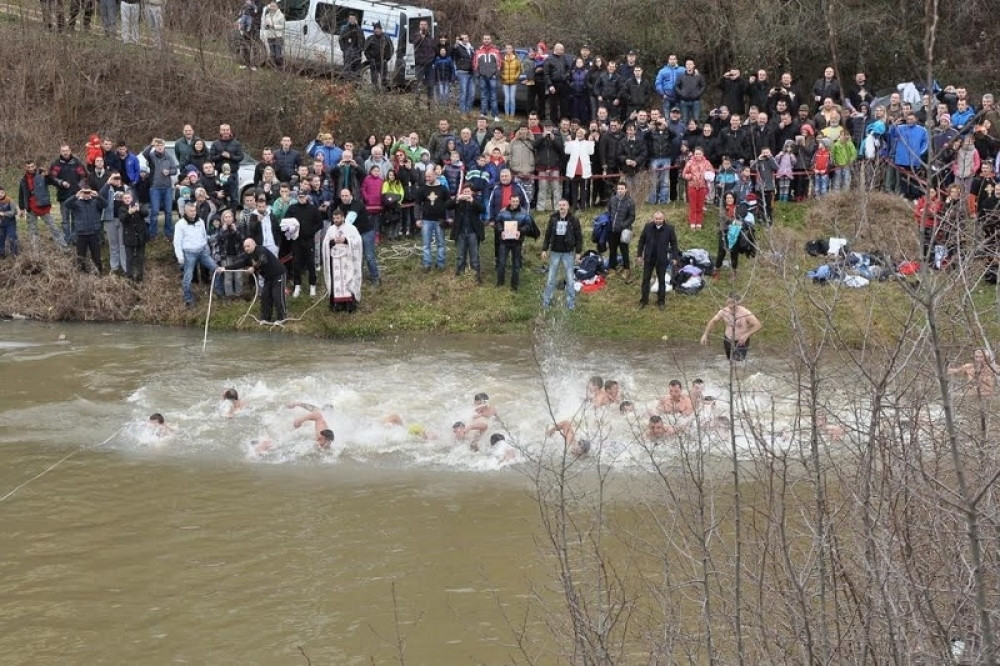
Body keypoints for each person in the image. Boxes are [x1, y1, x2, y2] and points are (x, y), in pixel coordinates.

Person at [541, 199, 583, 311]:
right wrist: (544, 249)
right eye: (560, 205)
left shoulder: (573, 219)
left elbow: (579, 237)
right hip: (555, 251)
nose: (561, 207)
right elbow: (548, 234)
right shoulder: (553, 218)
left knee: (570, 279)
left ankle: (570, 303)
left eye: (564, 205)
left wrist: (578, 252)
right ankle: (546, 301)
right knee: (551, 278)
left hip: (568, 253)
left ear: (568, 206)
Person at [232, 237, 286, 323]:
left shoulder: (261, 249)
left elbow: (263, 260)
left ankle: (282, 318)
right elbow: (239, 264)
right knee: (265, 297)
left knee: (277, 297)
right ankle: (266, 318)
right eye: (245, 247)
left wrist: (253, 267)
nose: (246, 248)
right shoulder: (248, 256)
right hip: (268, 278)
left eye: (248, 246)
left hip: (278, 274)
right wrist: (223, 268)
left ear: (254, 244)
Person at [18, 160, 67, 250]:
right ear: (25, 168)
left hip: (42, 206)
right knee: (32, 231)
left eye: (32, 166)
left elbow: (53, 181)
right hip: (30, 207)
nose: (31, 169)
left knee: (53, 228)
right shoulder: (23, 180)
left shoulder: (42, 174)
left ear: (35, 166)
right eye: (28, 167)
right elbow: (21, 194)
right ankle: (35, 253)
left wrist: (49, 176)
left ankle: (64, 248)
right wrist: (21, 208)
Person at [700, 292, 763, 362]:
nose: (730, 304)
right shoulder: (724, 311)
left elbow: (758, 325)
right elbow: (713, 321)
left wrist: (746, 335)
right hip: (727, 340)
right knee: (729, 361)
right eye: (728, 302)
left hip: (741, 342)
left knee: (738, 363)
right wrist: (705, 334)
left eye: (732, 302)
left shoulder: (745, 313)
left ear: (738, 302)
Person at [322, 208, 363, 313]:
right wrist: (332, 241)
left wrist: (346, 240)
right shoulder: (330, 229)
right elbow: (325, 243)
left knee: (348, 280)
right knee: (336, 282)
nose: (336, 220)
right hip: (335, 260)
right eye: (334, 218)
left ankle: (350, 305)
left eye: (338, 218)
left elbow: (358, 241)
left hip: (347, 260)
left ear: (343, 217)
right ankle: (337, 304)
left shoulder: (351, 228)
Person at [494, 194, 538, 290]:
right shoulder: (502, 212)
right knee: (501, 263)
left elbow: (528, 225)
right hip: (504, 241)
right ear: (509, 201)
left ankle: (514, 286)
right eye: (513, 201)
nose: (515, 203)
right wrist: (501, 231)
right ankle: (500, 284)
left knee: (516, 265)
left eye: (517, 201)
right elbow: (497, 223)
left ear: (519, 202)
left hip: (517, 242)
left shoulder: (524, 213)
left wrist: (520, 231)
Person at [636, 211, 679, 310]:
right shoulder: (647, 227)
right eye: (656, 219)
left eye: (660, 219)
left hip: (661, 259)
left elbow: (674, 244)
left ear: (664, 219)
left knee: (662, 281)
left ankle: (661, 301)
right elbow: (641, 241)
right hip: (649, 258)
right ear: (653, 218)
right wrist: (639, 255)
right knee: (646, 280)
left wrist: (675, 257)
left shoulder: (669, 229)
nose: (658, 220)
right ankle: (644, 300)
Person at [414, 167, 450, 271]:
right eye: (426, 176)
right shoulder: (422, 189)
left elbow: (448, 204)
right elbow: (417, 204)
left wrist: (449, 217)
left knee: (441, 243)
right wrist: (417, 218)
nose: (427, 178)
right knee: (426, 244)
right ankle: (427, 264)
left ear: (435, 175)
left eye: (429, 176)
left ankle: (440, 264)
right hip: (426, 220)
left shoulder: (443, 188)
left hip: (440, 220)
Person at [447, 185, 485, 282]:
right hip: (460, 232)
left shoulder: (476, 200)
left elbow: (482, 209)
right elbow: (447, 205)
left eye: (468, 191)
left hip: (473, 232)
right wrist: (456, 199)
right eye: (465, 191)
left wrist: (472, 201)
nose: (466, 193)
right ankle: (460, 274)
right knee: (460, 255)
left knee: (474, 256)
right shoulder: (459, 201)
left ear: (472, 192)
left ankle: (476, 276)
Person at [119, 192, 148, 282]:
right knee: (129, 258)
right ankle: (129, 277)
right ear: (123, 200)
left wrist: (139, 210)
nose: (127, 199)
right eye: (125, 198)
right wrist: (129, 213)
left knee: (140, 257)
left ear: (132, 198)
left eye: (129, 198)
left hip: (140, 236)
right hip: (129, 237)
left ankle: (140, 277)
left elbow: (146, 213)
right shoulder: (122, 209)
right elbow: (122, 219)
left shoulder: (139, 205)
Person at [364, 21, 394, 89]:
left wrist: (387, 59)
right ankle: (375, 92)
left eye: (378, 29)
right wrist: (370, 59)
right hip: (373, 62)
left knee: (384, 79)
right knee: (374, 79)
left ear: (381, 29)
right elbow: (366, 50)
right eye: (375, 29)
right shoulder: (370, 38)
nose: (377, 30)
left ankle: (383, 93)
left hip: (383, 62)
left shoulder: (386, 38)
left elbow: (391, 49)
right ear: (374, 30)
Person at [262, 1, 285, 67]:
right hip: (270, 37)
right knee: (272, 55)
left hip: (277, 37)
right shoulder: (267, 15)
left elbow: (283, 26)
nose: (272, 8)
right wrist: (266, 26)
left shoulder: (281, 15)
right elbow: (264, 25)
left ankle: (281, 69)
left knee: (278, 56)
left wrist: (274, 26)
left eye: (274, 6)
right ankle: (275, 69)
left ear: (277, 7)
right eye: (271, 6)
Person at [0, 186, 19, 258]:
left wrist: (4, 213)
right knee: (1, 239)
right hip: (1, 225)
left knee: (12, 238)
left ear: (4, 192)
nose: (0, 194)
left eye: (2, 193)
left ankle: (14, 253)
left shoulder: (9, 200)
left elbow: (15, 211)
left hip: (10, 224)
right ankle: (1, 254)